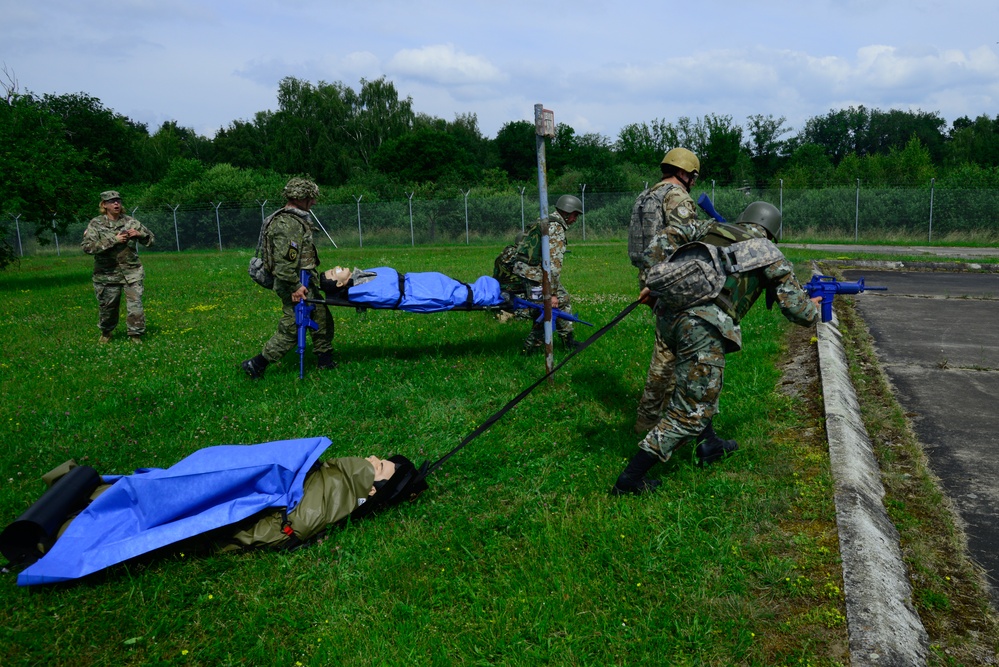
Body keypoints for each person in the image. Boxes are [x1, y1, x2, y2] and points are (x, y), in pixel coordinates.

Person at [3, 440, 428, 586]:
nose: (373, 456)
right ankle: (101, 497)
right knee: (176, 482)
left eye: (381, 464)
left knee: (164, 504)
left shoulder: (340, 490)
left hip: (261, 497)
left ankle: (65, 533)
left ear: (374, 489)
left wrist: (228, 532)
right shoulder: (336, 474)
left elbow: (285, 527)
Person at [612, 202, 821, 496]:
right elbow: (797, 311)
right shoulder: (768, 252)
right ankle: (629, 480)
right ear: (772, 231)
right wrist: (813, 309)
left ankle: (709, 445)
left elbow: (661, 241)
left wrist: (654, 282)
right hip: (701, 326)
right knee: (690, 411)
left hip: (670, 318)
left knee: (700, 388)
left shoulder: (708, 227)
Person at [631, 148, 712, 433]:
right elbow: (686, 238)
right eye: (692, 176)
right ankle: (655, 417)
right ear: (683, 173)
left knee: (668, 344)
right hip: (671, 280)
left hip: (650, 276)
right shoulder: (676, 197)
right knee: (670, 351)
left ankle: (658, 413)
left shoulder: (647, 195)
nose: (693, 181)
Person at [242, 178, 335, 378]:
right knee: (292, 328)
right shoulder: (288, 225)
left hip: (304, 281)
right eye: (311, 198)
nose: (314, 202)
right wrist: (295, 287)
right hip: (294, 282)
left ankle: (325, 361)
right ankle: (257, 364)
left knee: (321, 317)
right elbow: (284, 266)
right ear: (300, 198)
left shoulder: (295, 220)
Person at [493, 194, 584, 353]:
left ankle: (568, 340)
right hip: (535, 275)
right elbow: (553, 266)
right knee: (546, 309)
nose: (576, 219)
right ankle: (530, 348)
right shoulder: (555, 228)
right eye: (576, 214)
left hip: (531, 272)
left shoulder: (544, 221)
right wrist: (552, 293)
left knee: (563, 300)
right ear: (568, 212)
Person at [80, 190, 155, 344]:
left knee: (136, 306)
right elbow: (87, 247)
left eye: (118, 201)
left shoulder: (130, 222)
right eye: (112, 201)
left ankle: (135, 335)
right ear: (104, 205)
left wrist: (140, 235)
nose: (116, 204)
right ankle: (106, 332)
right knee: (108, 308)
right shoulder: (96, 224)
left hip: (132, 272)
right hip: (107, 274)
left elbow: (151, 240)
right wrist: (113, 240)